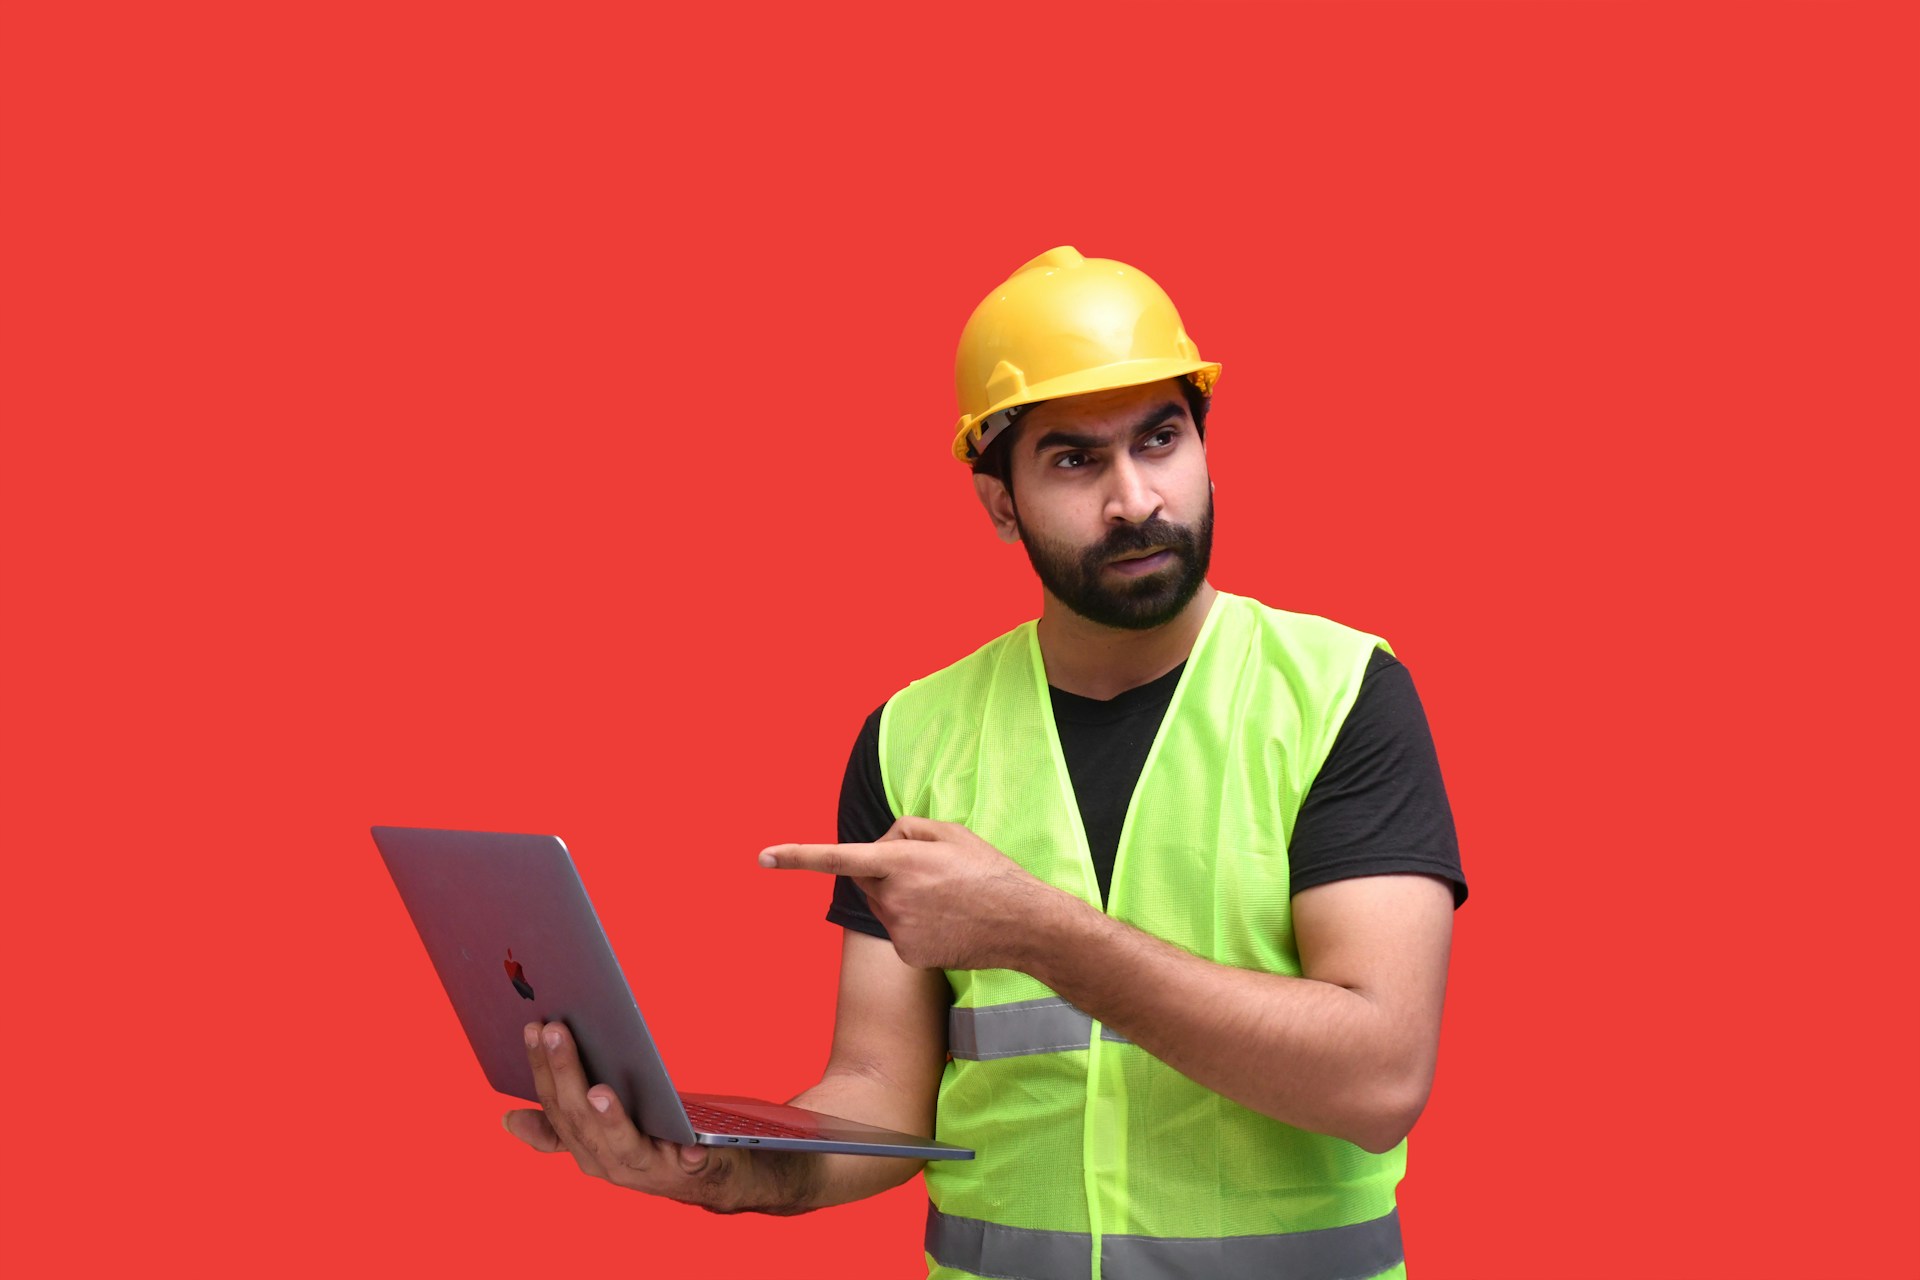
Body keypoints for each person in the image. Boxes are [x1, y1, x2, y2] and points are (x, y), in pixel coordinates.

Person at [505, 246, 1466, 1280]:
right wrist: (722, 1167)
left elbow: (1377, 1078)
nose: (1135, 498)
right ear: (998, 501)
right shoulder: (912, 736)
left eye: (1162, 437)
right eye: (1072, 459)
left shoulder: (1340, 694)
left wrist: (1033, 928)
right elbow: (878, 1089)